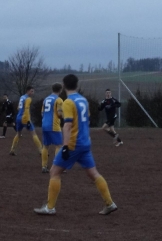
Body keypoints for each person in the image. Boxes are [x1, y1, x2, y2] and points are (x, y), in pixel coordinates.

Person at [34, 74, 117, 215]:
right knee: (94, 173)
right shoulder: (83, 100)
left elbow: (67, 125)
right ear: (77, 85)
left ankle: (50, 207)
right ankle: (109, 203)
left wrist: (65, 146)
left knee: (54, 172)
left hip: (73, 144)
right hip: (85, 143)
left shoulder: (68, 102)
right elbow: (87, 121)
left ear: (64, 86)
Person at [9, 86, 43, 156]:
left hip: (18, 117)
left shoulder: (22, 97)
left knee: (18, 134)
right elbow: (27, 110)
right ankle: (41, 151)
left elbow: (18, 108)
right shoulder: (28, 99)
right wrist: (27, 120)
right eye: (32, 91)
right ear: (28, 91)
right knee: (33, 133)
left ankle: (12, 150)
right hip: (25, 118)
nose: (33, 93)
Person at [41, 83, 64, 173]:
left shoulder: (46, 99)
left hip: (44, 125)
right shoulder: (58, 100)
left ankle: (44, 166)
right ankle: (57, 166)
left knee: (45, 146)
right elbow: (59, 114)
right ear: (60, 90)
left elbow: (42, 113)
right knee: (58, 145)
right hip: (53, 125)